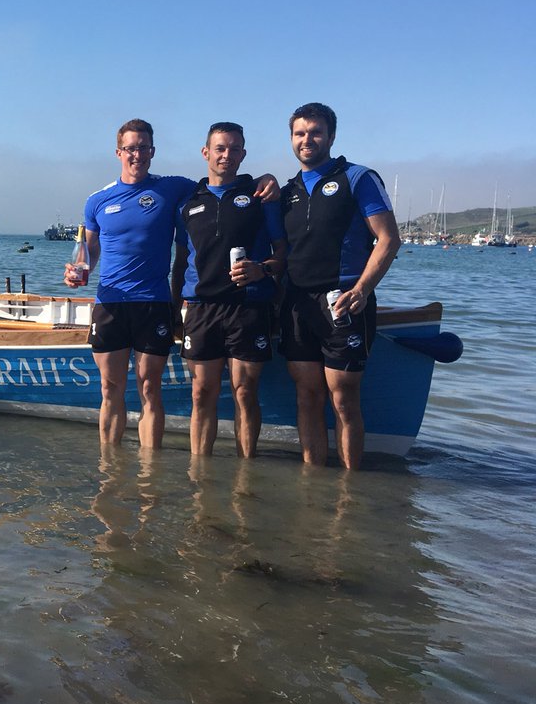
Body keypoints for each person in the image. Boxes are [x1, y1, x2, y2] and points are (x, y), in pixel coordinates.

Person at [66, 119, 278, 448]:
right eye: (130, 148)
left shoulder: (173, 188)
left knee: (150, 389)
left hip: (153, 301)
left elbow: (219, 182)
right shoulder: (97, 200)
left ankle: (150, 470)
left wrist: (265, 179)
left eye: (144, 148)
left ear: (153, 151)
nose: (137, 154)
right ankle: (110, 467)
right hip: (110, 302)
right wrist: (77, 271)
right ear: (118, 152)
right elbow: (90, 252)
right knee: (110, 389)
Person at [279, 102, 401, 470]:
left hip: (344, 301)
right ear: (291, 139)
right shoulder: (288, 191)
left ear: (331, 136)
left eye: (315, 132)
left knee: (344, 400)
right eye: (300, 133)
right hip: (298, 305)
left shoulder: (358, 178)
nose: (307, 140)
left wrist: (362, 289)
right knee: (307, 396)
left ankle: (350, 488)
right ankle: (313, 481)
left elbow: (388, 239)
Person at [171, 122, 287, 457]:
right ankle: (199, 471)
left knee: (245, 392)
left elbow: (283, 253)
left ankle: (245, 471)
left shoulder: (260, 196)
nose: (227, 155)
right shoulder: (188, 204)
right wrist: (173, 309)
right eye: (220, 148)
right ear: (205, 152)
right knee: (201, 393)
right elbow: (181, 262)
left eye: (235, 149)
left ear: (243, 154)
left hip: (248, 308)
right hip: (201, 309)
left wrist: (262, 269)